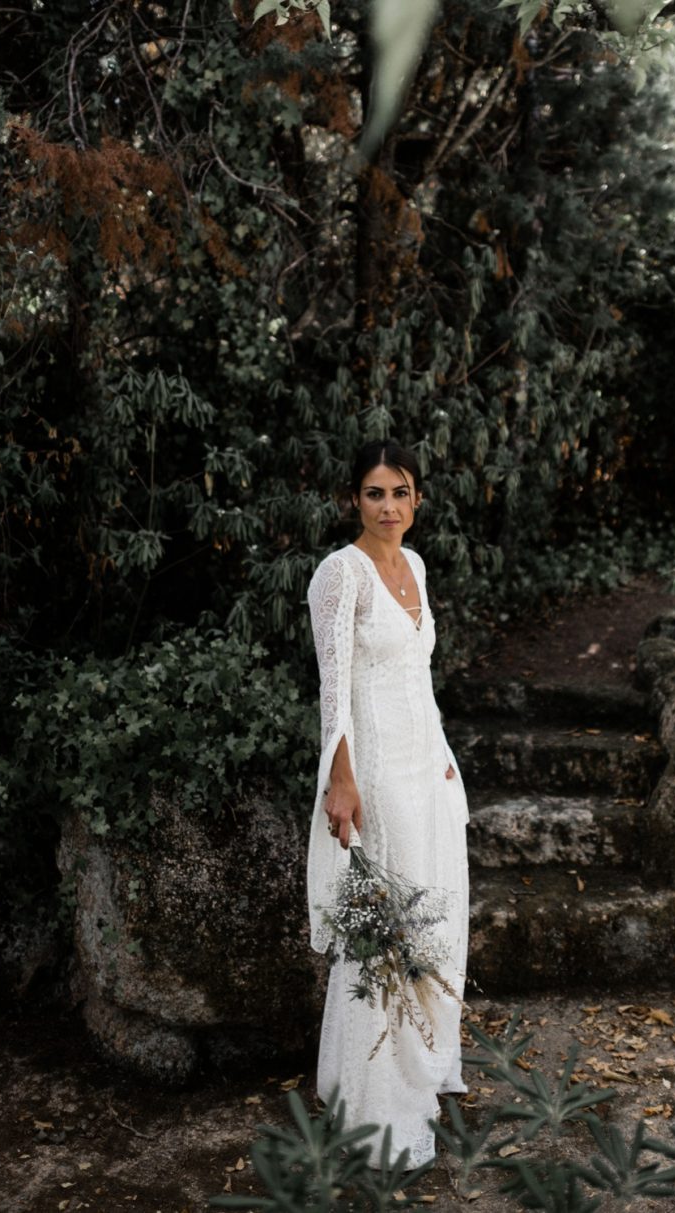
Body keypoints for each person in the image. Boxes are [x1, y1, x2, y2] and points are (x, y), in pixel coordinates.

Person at [306, 439, 470, 1168]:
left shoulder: (419, 566)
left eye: (400, 493)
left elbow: (418, 675)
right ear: (354, 501)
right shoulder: (340, 575)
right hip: (372, 771)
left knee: (434, 916)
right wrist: (342, 782)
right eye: (375, 493)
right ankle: (373, 1101)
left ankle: (423, 1065)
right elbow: (333, 688)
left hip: (422, 762)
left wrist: (444, 756)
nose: (389, 507)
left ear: (417, 501)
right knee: (384, 926)